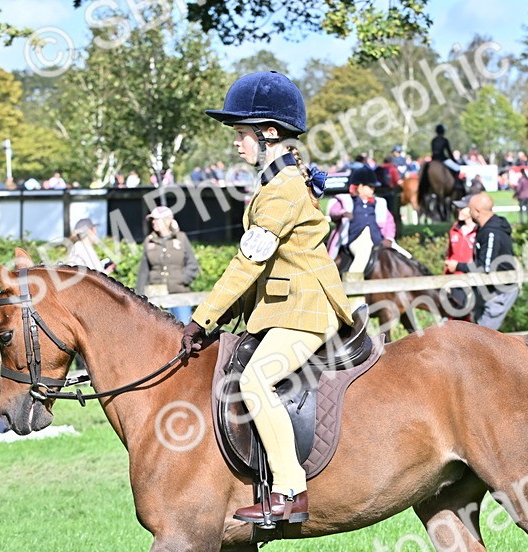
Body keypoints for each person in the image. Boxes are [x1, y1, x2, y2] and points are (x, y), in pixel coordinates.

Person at [182, 71, 355, 525]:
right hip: (283, 307)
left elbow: (249, 263)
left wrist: (201, 319)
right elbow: (265, 272)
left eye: (241, 133)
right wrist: (225, 319)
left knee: (255, 381)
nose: (236, 143)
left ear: (269, 133)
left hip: (306, 311)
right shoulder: (274, 184)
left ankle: (290, 490)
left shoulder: (283, 191)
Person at [327, 166, 396, 276]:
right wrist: (343, 213)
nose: (373, 190)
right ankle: (352, 284)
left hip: (377, 237)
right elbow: (333, 211)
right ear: (359, 187)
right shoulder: (347, 200)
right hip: (356, 238)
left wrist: (389, 237)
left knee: (404, 255)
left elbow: (389, 222)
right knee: (362, 254)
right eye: (370, 187)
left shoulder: (379, 203)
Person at [136, 205, 200, 324]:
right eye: (152, 220)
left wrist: (182, 279)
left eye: (156, 219)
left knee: (184, 329)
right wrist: (139, 296)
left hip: (180, 294)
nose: (153, 222)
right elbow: (143, 271)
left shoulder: (181, 238)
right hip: (156, 296)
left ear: (167, 220)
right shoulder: (149, 241)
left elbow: (193, 265)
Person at [467, 193, 520, 330]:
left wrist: (459, 266)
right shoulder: (485, 229)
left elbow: (485, 266)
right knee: (477, 334)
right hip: (488, 289)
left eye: (470, 209)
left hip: (499, 291)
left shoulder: (491, 232)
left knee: (482, 336)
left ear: (477, 212)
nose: (469, 212)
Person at [443, 195, 479, 321]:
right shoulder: (454, 229)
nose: (459, 211)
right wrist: (445, 279)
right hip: (455, 279)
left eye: (462, 208)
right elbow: (449, 255)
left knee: (472, 317)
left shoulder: (479, 231)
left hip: (472, 279)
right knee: (456, 317)